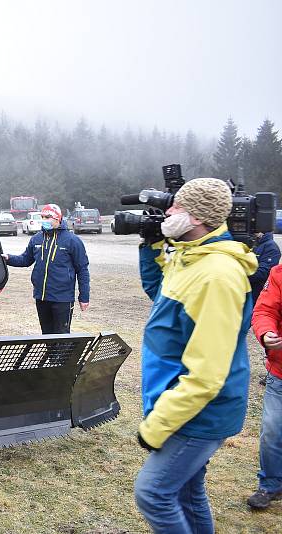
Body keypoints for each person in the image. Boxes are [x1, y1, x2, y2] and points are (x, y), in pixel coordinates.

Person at [133, 178, 256, 533]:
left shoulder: (218, 274)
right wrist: (150, 246)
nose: (168, 212)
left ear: (198, 217)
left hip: (200, 412)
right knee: (187, 492)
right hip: (178, 400)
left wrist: (155, 428)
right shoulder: (191, 257)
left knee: (153, 493)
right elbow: (159, 293)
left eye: (177, 207)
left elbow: (207, 375)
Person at [2, 203, 90, 334]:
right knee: (47, 335)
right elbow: (25, 260)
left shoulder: (72, 241)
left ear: (57, 218)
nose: (44, 220)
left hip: (62, 298)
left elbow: (82, 270)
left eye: (48, 217)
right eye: (42, 217)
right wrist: (8, 258)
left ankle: (61, 355)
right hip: (41, 297)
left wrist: (84, 297)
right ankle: (50, 355)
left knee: (61, 336)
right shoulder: (36, 239)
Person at [247, 263, 282, 509]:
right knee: (272, 430)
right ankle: (270, 484)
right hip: (280, 373)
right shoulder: (279, 274)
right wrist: (266, 333)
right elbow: (264, 311)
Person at [249, 232, 281, 305]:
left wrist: (241, 276)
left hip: (257, 294)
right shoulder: (252, 242)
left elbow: (263, 273)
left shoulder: (271, 247)